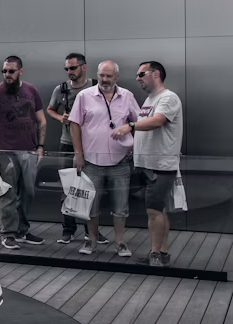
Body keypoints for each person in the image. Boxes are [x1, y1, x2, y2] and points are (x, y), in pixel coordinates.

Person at [68, 61, 141, 257]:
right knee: (91, 206)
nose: (105, 79)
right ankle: (91, 241)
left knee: (121, 206)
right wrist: (78, 153)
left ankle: (120, 243)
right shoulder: (84, 96)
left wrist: (134, 143)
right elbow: (74, 124)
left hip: (120, 161)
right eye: (101, 75)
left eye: (109, 76)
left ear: (117, 77)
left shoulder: (127, 96)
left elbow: (140, 122)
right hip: (91, 161)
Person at [0, 55, 47, 250]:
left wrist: (40, 147)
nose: (7, 75)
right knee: (8, 194)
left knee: (28, 192)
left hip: (28, 150)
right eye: (4, 71)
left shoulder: (31, 91)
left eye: (11, 71)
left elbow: (41, 121)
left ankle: (22, 231)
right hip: (5, 151)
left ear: (20, 71)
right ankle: (8, 233)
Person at [128, 61, 184, 268]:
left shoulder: (168, 97)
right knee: (158, 210)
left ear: (156, 74)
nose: (137, 78)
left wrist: (130, 126)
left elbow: (157, 121)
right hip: (148, 163)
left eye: (141, 74)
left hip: (160, 165)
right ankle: (162, 252)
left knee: (153, 211)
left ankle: (155, 255)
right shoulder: (150, 99)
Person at [49, 53, 99, 244]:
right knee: (67, 186)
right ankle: (68, 229)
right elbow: (50, 109)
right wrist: (59, 118)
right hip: (67, 143)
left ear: (83, 67)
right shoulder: (61, 89)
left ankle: (90, 230)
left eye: (73, 68)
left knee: (91, 187)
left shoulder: (96, 86)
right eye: (67, 69)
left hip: (91, 144)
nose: (69, 71)